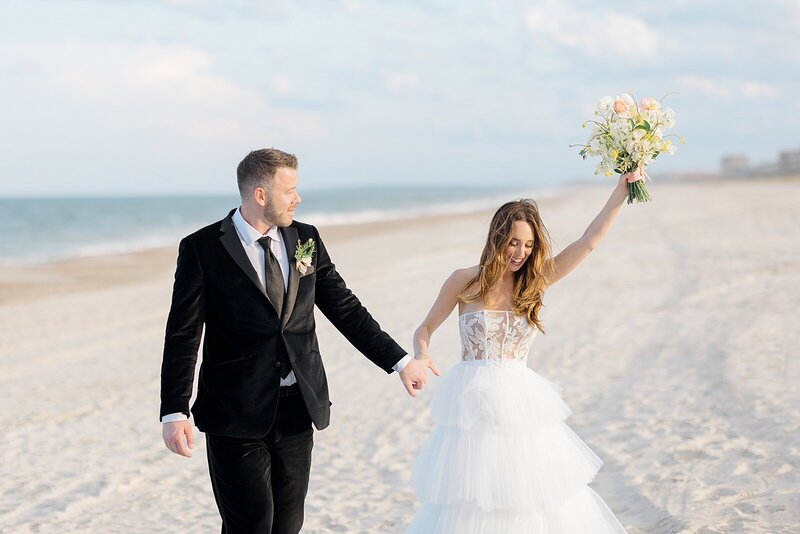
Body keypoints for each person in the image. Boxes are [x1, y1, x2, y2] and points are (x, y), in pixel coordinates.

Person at [159, 148, 435, 534]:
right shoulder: (202, 248)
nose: (297, 198)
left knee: (288, 525)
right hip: (234, 413)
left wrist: (400, 361)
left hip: (297, 407)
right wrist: (174, 410)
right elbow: (183, 334)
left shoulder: (305, 239)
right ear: (260, 194)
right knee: (252, 525)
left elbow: (345, 309)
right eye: (289, 190)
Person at [406, 170, 644, 533]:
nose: (520, 252)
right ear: (497, 237)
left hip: (520, 405)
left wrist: (620, 192)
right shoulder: (463, 280)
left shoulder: (535, 280)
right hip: (472, 404)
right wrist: (422, 355)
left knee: (526, 497)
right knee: (472, 500)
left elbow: (588, 242)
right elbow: (424, 328)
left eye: (529, 245)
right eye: (514, 242)